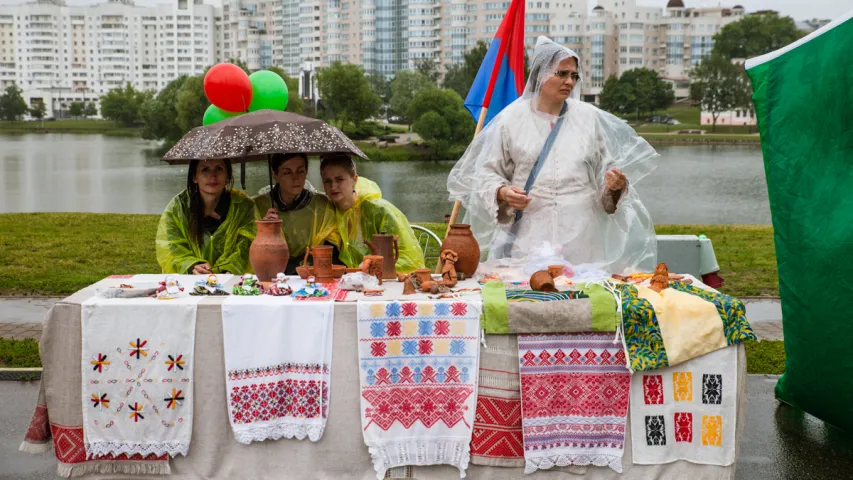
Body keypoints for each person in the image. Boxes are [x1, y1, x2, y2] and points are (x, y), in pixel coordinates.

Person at [447, 36, 659, 273]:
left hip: (583, 241)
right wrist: (503, 191)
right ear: (540, 74)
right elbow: (486, 173)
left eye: (574, 76)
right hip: (528, 238)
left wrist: (614, 186)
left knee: (584, 302)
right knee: (528, 301)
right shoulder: (511, 120)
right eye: (562, 73)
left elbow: (605, 178)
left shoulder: (589, 119)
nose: (570, 81)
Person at [319, 154, 425, 273]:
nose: (333, 186)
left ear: (354, 179)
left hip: (382, 281)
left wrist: (372, 265)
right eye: (327, 181)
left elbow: (407, 258)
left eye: (339, 179)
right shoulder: (325, 212)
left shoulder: (379, 210)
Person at [156, 159, 257, 275]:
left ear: (228, 176)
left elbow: (246, 244)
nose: (212, 176)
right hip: (192, 281)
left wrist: (230, 268)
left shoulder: (243, 206)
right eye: (205, 170)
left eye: (219, 169)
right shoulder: (178, 207)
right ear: (194, 177)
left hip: (233, 280)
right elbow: (172, 246)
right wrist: (192, 265)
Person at [253, 152, 339, 274]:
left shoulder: (322, 204)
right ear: (274, 174)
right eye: (287, 172)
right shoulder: (258, 205)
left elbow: (332, 248)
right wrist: (265, 231)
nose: (296, 178)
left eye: (300, 171)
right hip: (273, 274)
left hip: (312, 272)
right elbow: (250, 250)